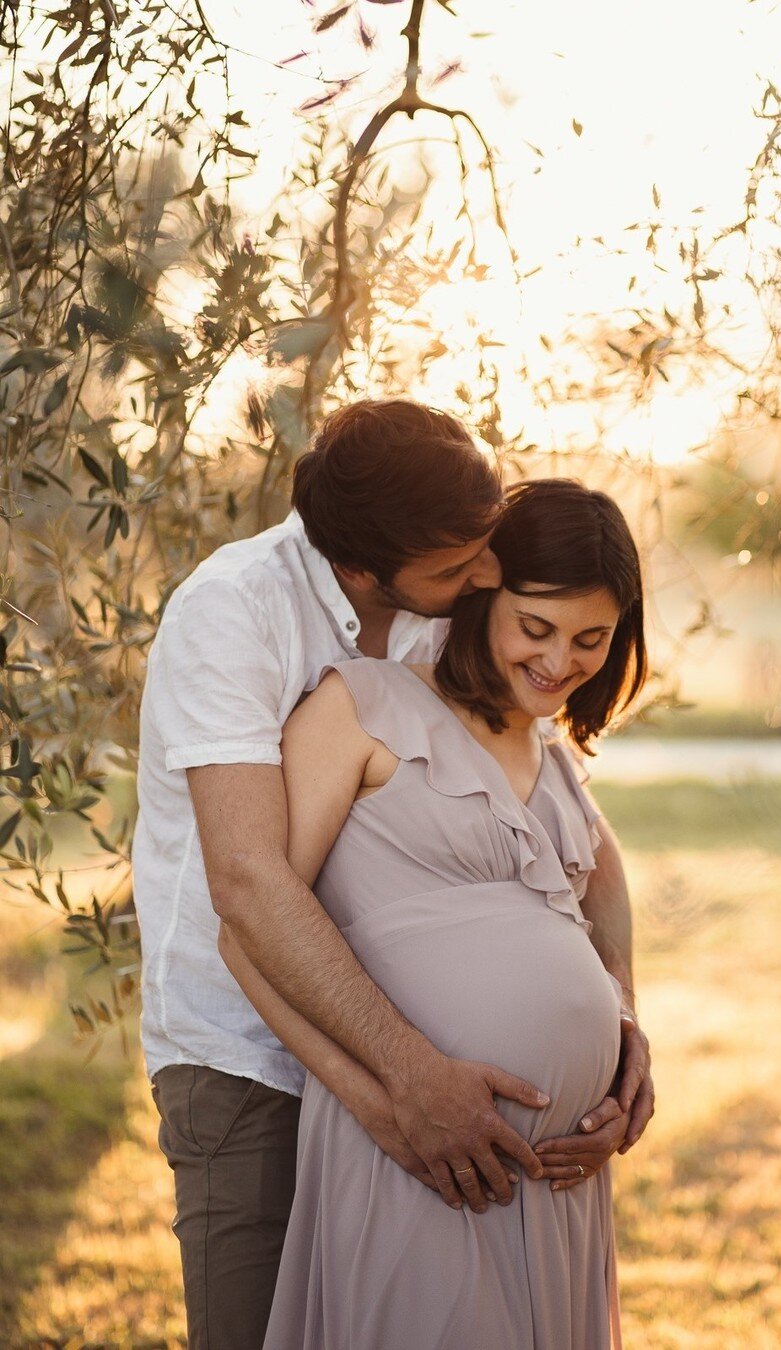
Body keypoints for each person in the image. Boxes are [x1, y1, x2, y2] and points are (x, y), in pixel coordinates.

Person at [132, 401, 654, 1350]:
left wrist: (618, 1015)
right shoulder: (234, 612)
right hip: (251, 1056)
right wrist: (398, 1086)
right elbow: (248, 888)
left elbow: (578, 832)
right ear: (366, 568)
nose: (486, 577)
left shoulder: (440, 617)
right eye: (461, 567)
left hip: (449, 1097)